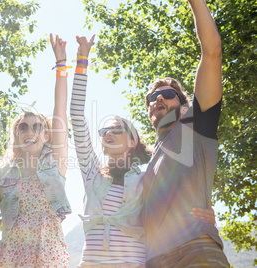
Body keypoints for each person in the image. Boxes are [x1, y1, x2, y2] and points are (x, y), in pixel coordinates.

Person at [70, 35, 217, 268]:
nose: (107, 133)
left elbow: (175, 199)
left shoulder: (145, 180)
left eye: (116, 129)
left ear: (132, 141)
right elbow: (77, 118)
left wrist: (204, 212)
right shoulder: (92, 175)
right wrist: (82, 62)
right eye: (103, 131)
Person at [141, 0, 230, 267]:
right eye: (152, 97)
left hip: (195, 252)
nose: (158, 99)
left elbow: (212, 52)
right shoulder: (147, 165)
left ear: (183, 106)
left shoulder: (194, 127)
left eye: (168, 95)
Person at [0, 34, 71, 267]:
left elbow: (60, 110)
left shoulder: (55, 161)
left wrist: (60, 65)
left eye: (38, 127)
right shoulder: (1, 173)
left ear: (47, 135)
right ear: (15, 135)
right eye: (23, 127)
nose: (30, 132)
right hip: (12, 258)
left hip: (50, 257)